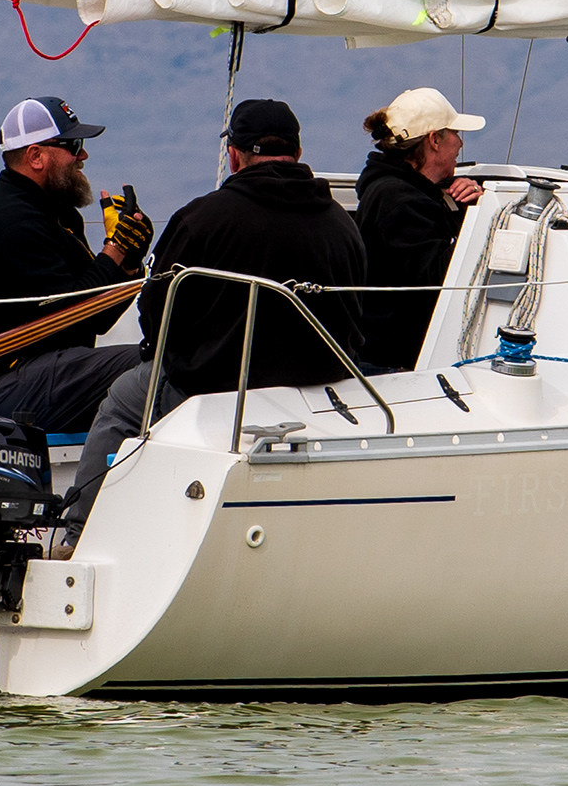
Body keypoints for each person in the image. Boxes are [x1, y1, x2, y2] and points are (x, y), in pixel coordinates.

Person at [66, 97, 365, 524]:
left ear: (235, 155)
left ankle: (78, 532)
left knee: (121, 403)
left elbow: (156, 315)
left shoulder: (202, 219)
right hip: (319, 387)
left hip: (219, 386)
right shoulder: (342, 224)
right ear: (297, 154)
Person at [0, 96, 155, 498]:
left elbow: (96, 316)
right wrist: (114, 250)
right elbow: (73, 311)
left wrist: (127, 262)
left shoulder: (56, 213)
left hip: (43, 370)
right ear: (36, 156)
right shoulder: (9, 218)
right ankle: (88, 506)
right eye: (72, 147)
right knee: (157, 364)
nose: (83, 155)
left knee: (156, 360)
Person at [351, 84, 486, 367]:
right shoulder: (400, 201)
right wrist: (482, 217)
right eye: (455, 134)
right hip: (395, 367)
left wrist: (463, 206)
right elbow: (441, 277)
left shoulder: (400, 192)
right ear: (435, 140)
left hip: (389, 359)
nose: (460, 144)